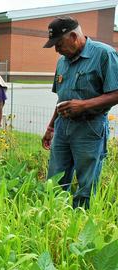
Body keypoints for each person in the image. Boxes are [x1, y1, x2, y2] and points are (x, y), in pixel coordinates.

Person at [42, 16, 118, 209]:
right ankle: (55, 217)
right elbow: (62, 98)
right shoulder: (62, 61)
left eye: (58, 44)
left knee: (87, 182)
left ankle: (80, 223)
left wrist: (83, 106)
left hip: (89, 128)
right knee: (56, 178)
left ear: (74, 36)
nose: (57, 50)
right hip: (62, 128)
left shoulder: (104, 54)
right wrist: (51, 126)